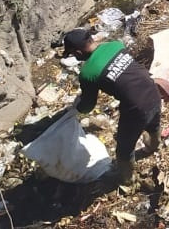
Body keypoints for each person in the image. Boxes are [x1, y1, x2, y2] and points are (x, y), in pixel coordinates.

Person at [63, 28, 162, 182]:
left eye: (73, 54)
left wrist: (75, 108)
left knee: (124, 148)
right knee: (153, 124)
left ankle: (127, 178)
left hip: (135, 107)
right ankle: (153, 146)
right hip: (153, 91)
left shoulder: (87, 72)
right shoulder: (115, 45)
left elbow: (88, 105)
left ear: (78, 52)